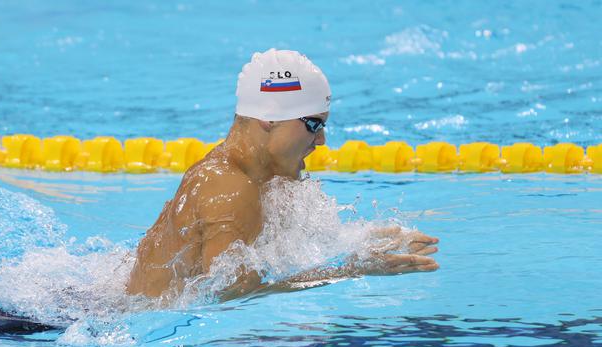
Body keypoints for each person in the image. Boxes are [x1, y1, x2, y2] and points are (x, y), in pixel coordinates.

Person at [126, 49, 439, 302]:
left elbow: (280, 250)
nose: (321, 141)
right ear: (268, 118)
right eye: (313, 125)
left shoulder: (255, 177)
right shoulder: (232, 188)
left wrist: (365, 240)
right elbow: (229, 293)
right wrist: (353, 270)